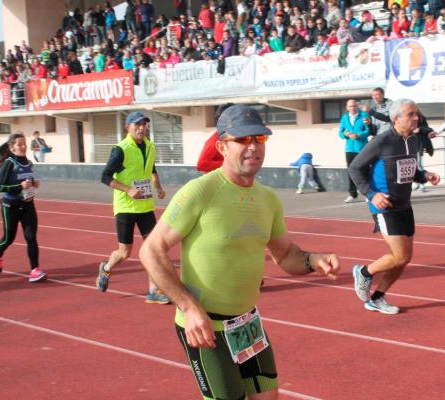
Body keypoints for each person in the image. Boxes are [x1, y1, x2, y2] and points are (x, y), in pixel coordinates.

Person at [139, 104, 340, 400]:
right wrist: (188, 307)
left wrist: (313, 260)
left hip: (247, 324)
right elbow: (151, 250)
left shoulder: (268, 199)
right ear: (222, 146)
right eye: (243, 140)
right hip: (205, 327)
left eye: (259, 139)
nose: (253, 147)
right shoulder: (200, 191)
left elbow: (285, 255)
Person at [348, 99, 440, 314]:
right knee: (399, 256)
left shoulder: (414, 140)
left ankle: (377, 298)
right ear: (396, 118)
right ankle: (364, 272)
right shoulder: (382, 141)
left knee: (404, 259)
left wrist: (425, 175)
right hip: (384, 205)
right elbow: (354, 168)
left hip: (404, 205)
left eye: (416, 113)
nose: (416, 118)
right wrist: (372, 195)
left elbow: (409, 169)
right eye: (411, 114)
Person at [97, 112, 169, 304]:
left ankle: (154, 290)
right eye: (137, 124)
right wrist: (128, 189)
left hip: (145, 206)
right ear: (127, 127)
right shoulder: (121, 149)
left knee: (152, 248)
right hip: (126, 207)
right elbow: (105, 177)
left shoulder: (150, 146)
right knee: (125, 253)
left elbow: (152, 169)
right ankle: (106, 267)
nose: (142, 128)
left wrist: (159, 187)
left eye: (145, 124)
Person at [0, 133, 47, 282]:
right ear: (12, 147)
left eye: (24, 144)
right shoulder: (9, 163)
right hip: (10, 205)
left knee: (31, 237)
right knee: (9, 238)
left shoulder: (29, 163)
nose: (23, 147)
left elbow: (27, 180)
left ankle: (34, 270)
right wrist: (19, 186)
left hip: (28, 204)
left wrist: (34, 184)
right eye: (19, 144)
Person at [339, 99, 370, 203]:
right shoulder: (344, 118)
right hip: (349, 149)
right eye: (351, 106)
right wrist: (345, 134)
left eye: (354, 106)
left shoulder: (364, 115)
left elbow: (368, 130)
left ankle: (368, 194)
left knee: (364, 171)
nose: (353, 108)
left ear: (357, 106)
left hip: (361, 148)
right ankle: (353, 194)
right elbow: (340, 133)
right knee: (351, 172)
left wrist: (359, 135)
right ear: (347, 107)